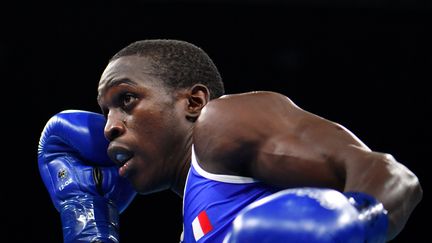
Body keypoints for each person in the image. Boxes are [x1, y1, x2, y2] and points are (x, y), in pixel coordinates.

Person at [38, 39, 422, 242]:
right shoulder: (198, 228)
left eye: (126, 100)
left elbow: (391, 174)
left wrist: (356, 220)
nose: (109, 127)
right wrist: (88, 223)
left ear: (194, 102)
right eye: (105, 111)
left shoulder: (221, 124)